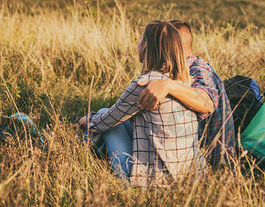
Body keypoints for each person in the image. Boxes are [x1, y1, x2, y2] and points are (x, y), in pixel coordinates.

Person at [79, 21, 207, 186]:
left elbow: (104, 122)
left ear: (145, 47)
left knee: (103, 115)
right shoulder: (185, 82)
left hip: (154, 182)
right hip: (191, 178)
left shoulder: (145, 85)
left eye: (139, 40)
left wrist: (83, 121)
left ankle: (80, 159)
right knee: (118, 119)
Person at [137, 20, 235, 165]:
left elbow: (206, 103)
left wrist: (169, 85)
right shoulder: (174, 68)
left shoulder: (198, 68)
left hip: (207, 158)